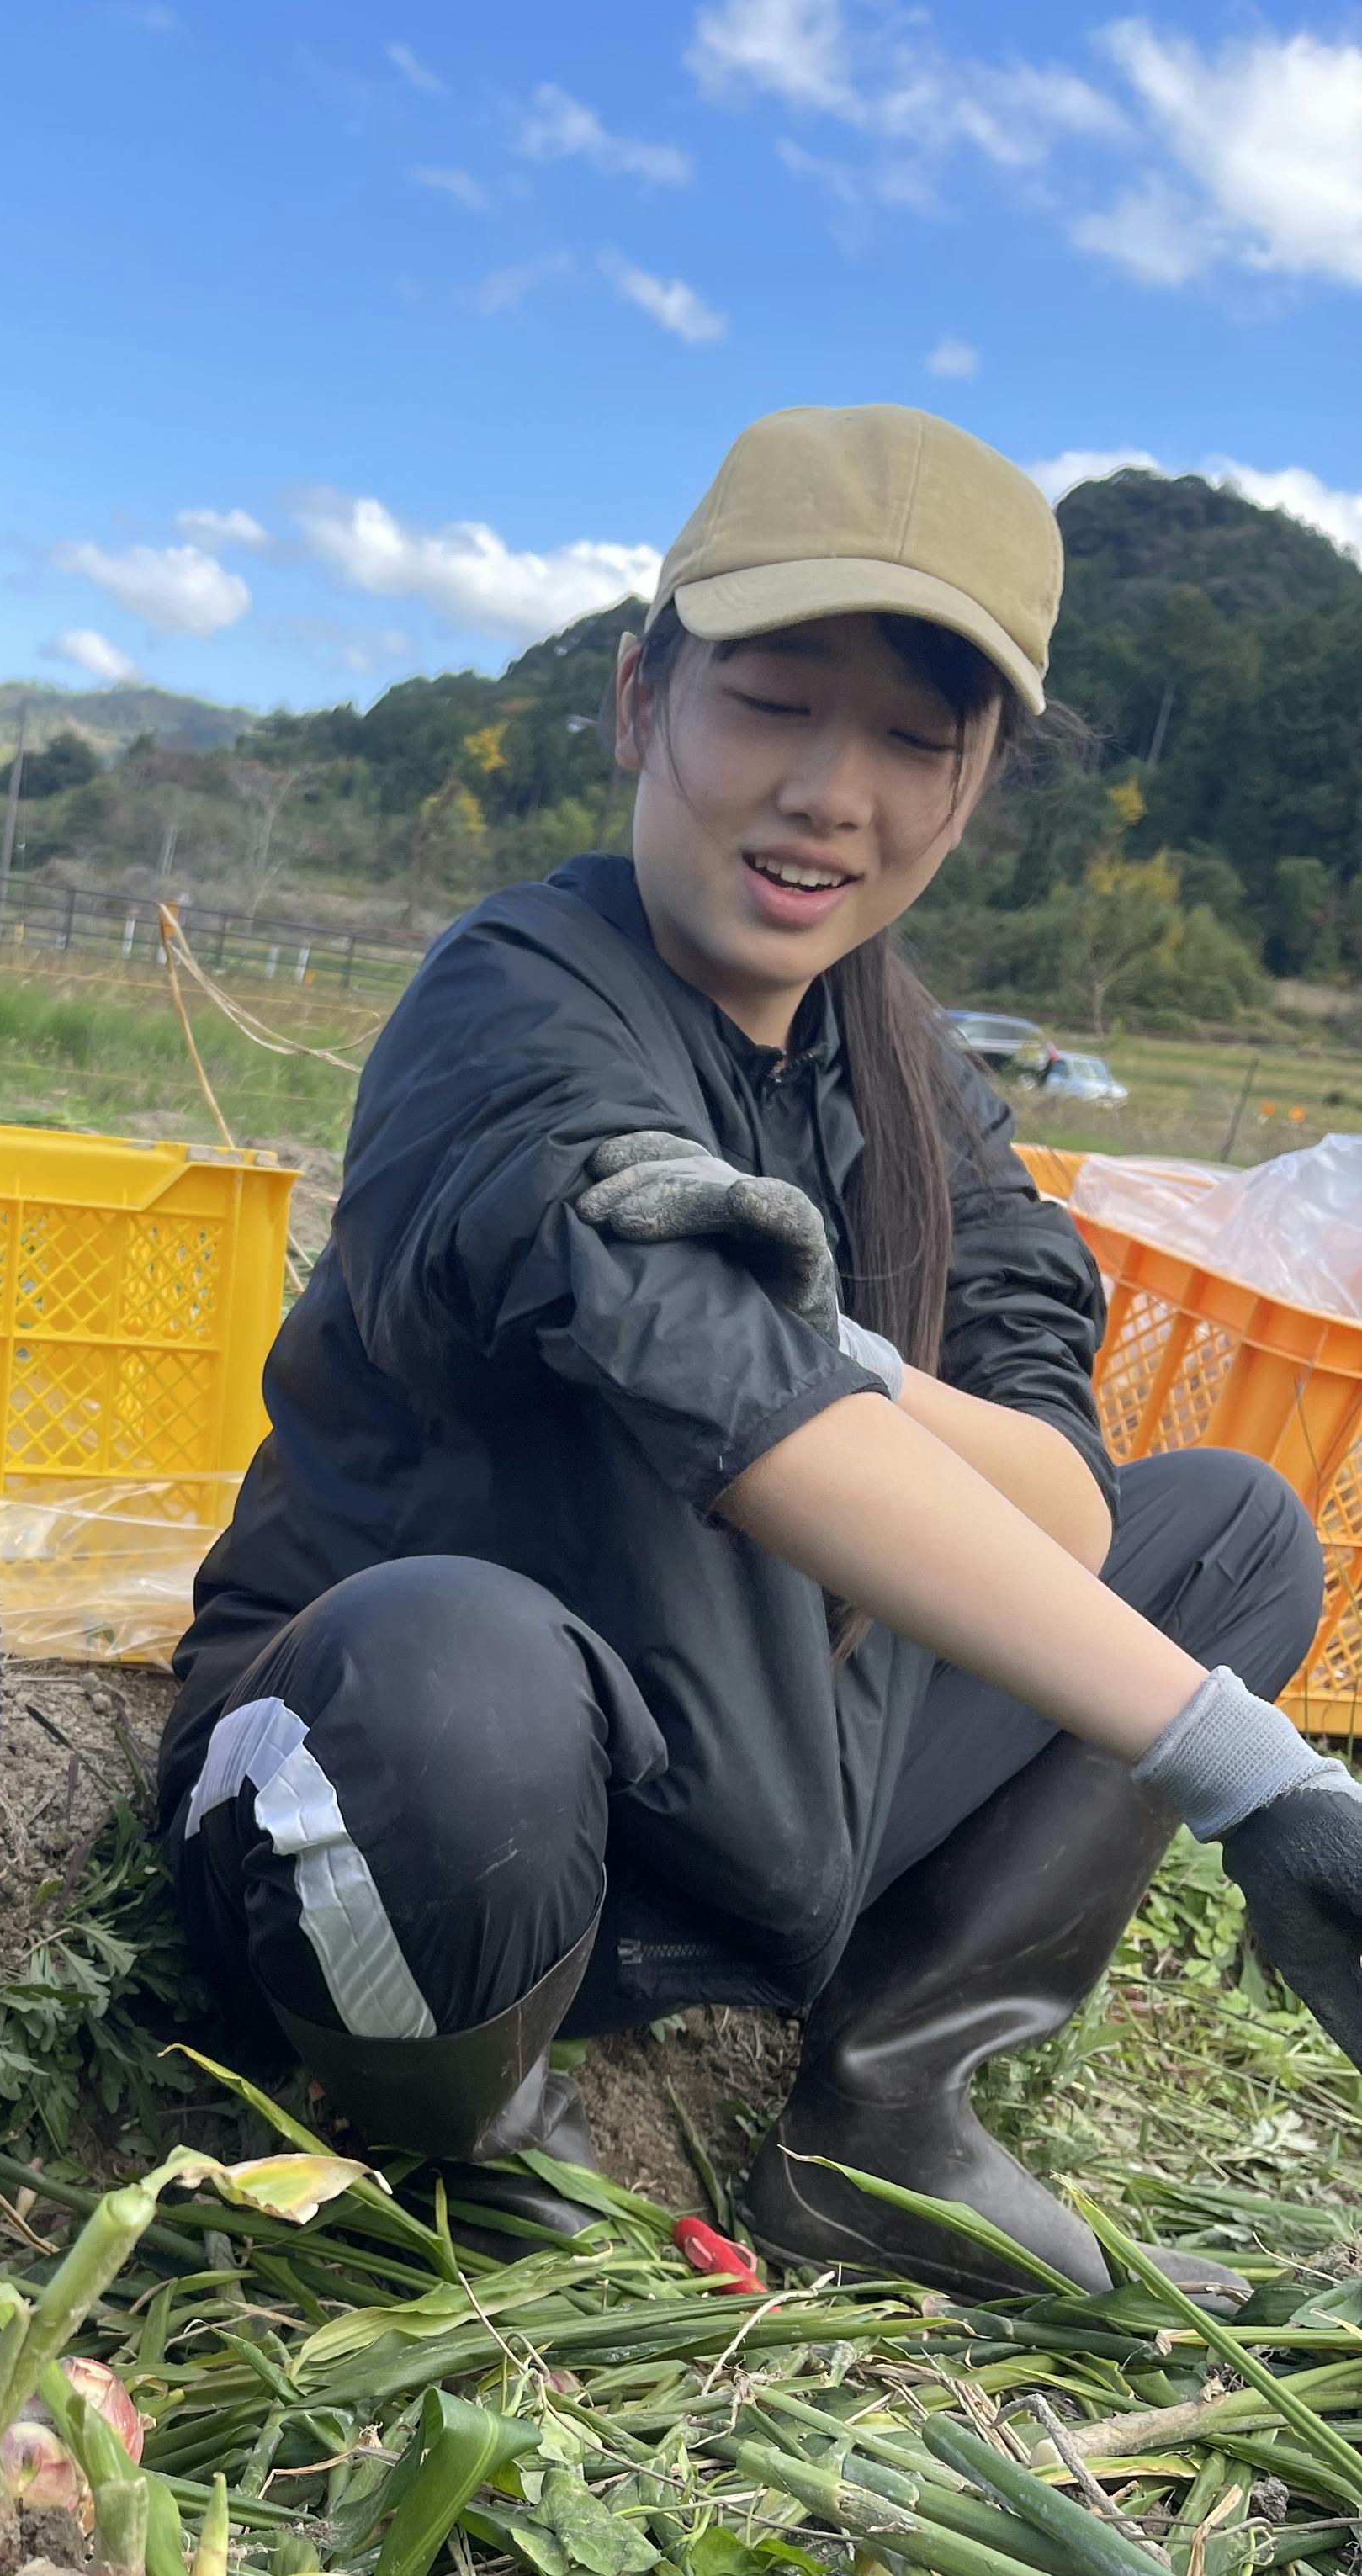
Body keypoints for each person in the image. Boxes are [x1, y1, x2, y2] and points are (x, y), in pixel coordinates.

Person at [162, 403, 1362, 2298]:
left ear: (973, 789)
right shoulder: (516, 1003)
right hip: (439, 1794)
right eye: (774, 704)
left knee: (1227, 1534)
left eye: (912, 743)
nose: (829, 792)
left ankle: (888, 2119)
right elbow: (721, 1395)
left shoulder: (911, 1074)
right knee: (449, 1685)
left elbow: (1063, 1497)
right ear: (642, 701)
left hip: (748, 1777)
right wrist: (1249, 1771)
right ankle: (464, 2146)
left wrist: (854, 1358)